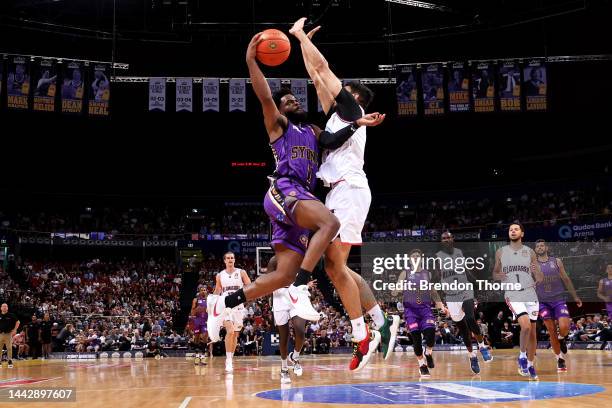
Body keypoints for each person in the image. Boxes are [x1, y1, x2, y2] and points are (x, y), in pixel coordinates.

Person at [207, 31, 384, 372]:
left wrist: (358, 123)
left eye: (294, 99)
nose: (293, 102)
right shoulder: (279, 125)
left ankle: (227, 302)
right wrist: (250, 61)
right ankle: (301, 291)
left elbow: (334, 136)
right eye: (286, 100)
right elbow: (263, 95)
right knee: (328, 224)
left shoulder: (315, 133)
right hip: (285, 191)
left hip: (301, 198)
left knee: (283, 273)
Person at [292, 21, 398, 370]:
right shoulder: (340, 116)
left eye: (343, 90)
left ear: (354, 97)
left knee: (335, 265)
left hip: (350, 190)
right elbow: (316, 74)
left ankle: (363, 335)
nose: (333, 91)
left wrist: (300, 36)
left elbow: (323, 69)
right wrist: (301, 40)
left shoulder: (352, 110)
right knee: (335, 266)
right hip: (340, 193)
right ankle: (378, 322)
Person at [435, 231, 491, 374]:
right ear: (441, 241)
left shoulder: (461, 253)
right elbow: (436, 279)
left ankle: (482, 346)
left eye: (449, 237)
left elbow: (469, 272)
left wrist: (478, 288)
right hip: (451, 296)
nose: (447, 239)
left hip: (465, 291)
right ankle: (472, 356)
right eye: (444, 238)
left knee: (471, 318)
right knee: (464, 331)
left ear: (453, 239)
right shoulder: (437, 258)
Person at [493, 223, 543, 380]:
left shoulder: (530, 252)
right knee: (526, 326)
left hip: (530, 293)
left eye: (516, 229)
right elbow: (495, 273)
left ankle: (530, 364)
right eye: (510, 229)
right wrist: (498, 276)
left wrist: (538, 279)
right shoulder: (501, 252)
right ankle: (521, 355)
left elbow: (539, 274)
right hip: (513, 293)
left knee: (533, 333)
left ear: (522, 233)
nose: (513, 231)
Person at [392, 249, 447, 378]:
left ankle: (428, 353)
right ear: (410, 259)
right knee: (416, 339)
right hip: (411, 311)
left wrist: (441, 307)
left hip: (425, 309)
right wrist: (396, 290)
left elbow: (433, 292)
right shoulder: (405, 273)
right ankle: (422, 365)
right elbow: (397, 289)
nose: (416, 257)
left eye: (418, 256)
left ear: (421, 259)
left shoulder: (426, 274)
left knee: (431, 335)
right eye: (413, 256)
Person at [535, 239, 582, 372]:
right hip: (542, 302)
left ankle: (562, 338)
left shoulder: (556, 261)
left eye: (542, 245)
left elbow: (566, 279)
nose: (540, 247)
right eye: (537, 246)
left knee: (564, 326)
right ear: (535, 250)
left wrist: (575, 296)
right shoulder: (532, 265)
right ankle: (559, 359)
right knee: (551, 330)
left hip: (558, 299)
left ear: (547, 247)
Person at [267, 256, 308, 384]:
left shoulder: (298, 258)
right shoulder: (274, 260)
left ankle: (295, 357)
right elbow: (268, 281)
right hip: (279, 297)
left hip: (295, 296)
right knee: (284, 337)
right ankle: (284, 369)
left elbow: (301, 278)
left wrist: (305, 286)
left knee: (300, 330)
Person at [213, 252, 251, 374]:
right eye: (228, 258)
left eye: (232, 258)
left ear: (234, 260)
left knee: (235, 334)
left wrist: (244, 297)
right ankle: (228, 361)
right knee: (229, 331)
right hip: (225, 305)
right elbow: (218, 290)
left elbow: (249, 286)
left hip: (238, 306)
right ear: (224, 261)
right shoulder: (220, 275)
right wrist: (212, 303)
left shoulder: (241, 272)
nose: (230, 259)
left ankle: (231, 357)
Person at [190, 286, 210, 365]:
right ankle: (197, 357)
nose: (203, 291)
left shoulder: (209, 300)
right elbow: (192, 311)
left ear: (206, 291)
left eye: (204, 290)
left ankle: (202, 357)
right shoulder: (196, 300)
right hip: (197, 320)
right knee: (197, 339)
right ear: (199, 291)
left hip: (205, 321)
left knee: (205, 338)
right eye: (202, 290)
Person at [0, 303, 20, 368]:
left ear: (7, 308)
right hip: (0, 334)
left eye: (6, 306)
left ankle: (10, 361)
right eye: (3, 306)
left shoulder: (11, 315)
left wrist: (14, 330)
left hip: (8, 334)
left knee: (9, 348)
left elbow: (18, 322)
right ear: (1, 308)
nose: (4, 307)